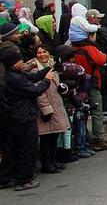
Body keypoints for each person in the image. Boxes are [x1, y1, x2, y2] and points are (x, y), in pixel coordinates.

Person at [0, 48, 55, 191]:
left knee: (12, 149)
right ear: (13, 63)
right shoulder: (14, 79)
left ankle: (5, 177)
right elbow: (34, 90)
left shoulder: (16, 74)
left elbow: (34, 77)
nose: (22, 61)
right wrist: (47, 80)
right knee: (27, 148)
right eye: (19, 60)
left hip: (16, 117)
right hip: (23, 117)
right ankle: (24, 179)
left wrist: (47, 69)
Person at [24, 46, 70, 174]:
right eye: (39, 52)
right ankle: (47, 163)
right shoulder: (34, 71)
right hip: (45, 108)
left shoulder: (52, 66)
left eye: (45, 52)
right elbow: (38, 92)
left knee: (54, 135)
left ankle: (53, 160)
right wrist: (46, 109)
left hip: (56, 104)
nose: (42, 54)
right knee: (46, 138)